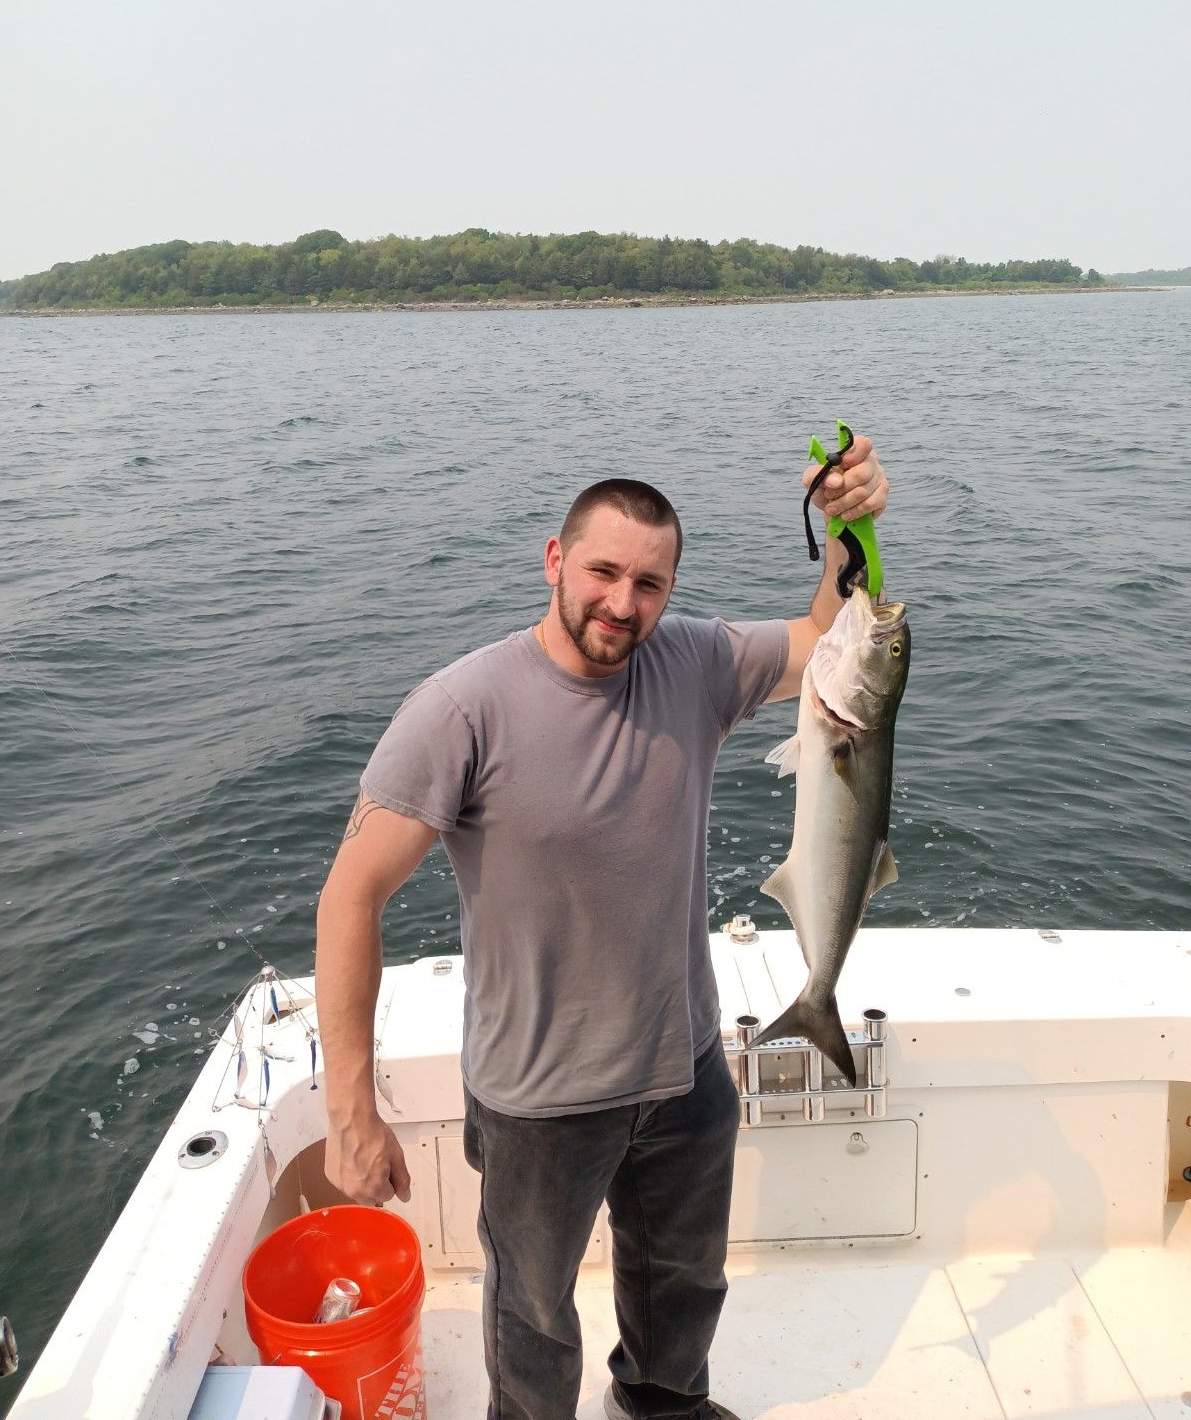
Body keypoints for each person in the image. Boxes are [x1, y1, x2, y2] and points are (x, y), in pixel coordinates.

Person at [315, 435, 890, 1420]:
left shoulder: (696, 662)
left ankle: (658, 1403)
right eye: (603, 572)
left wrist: (855, 523)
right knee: (532, 1322)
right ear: (554, 559)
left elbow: (835, 640)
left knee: (683, 1288)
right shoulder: (461, 709)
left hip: (682, 1071)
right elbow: (350, 897)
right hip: (537, 1098)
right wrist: (349, 1111)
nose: (624, 603)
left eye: (651, 583)